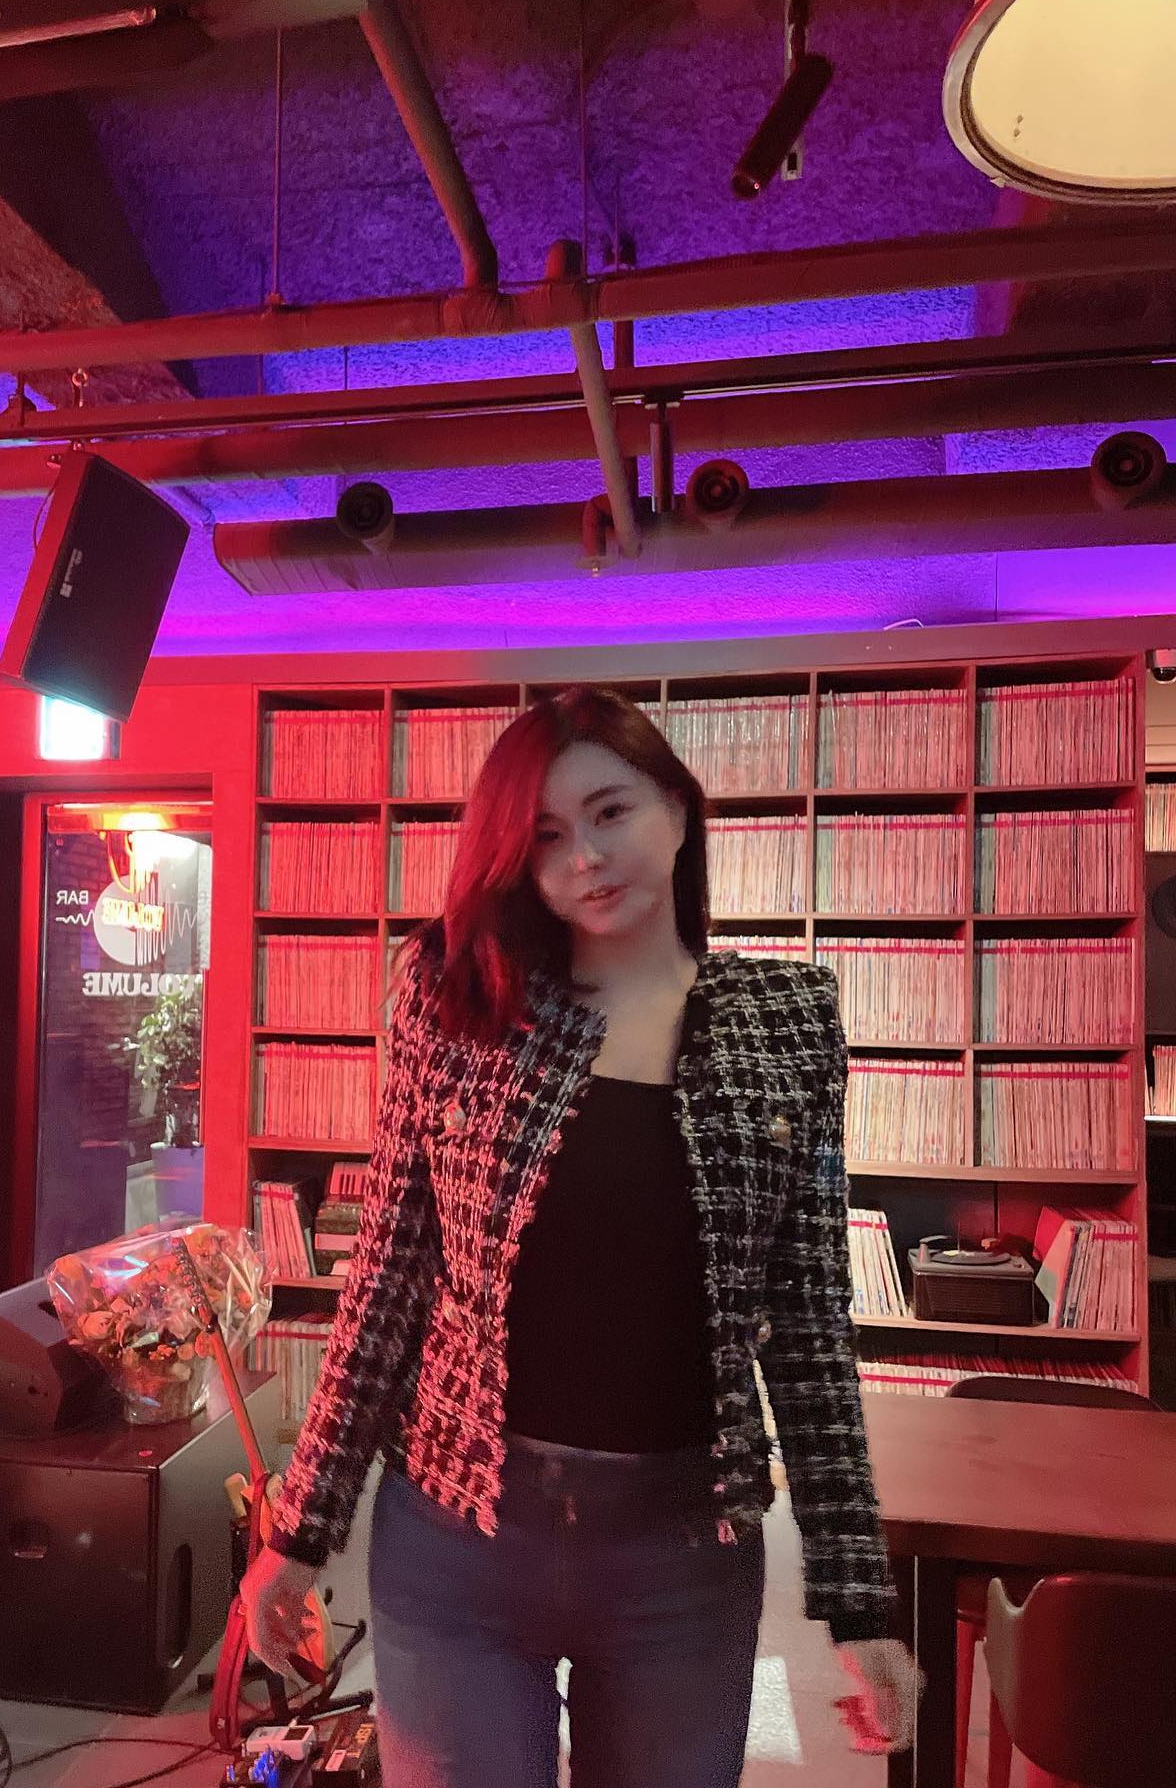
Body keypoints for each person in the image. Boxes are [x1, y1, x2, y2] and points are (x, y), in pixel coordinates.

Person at [244, 685, 922, 1786]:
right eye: (547, 837)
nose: (585, 860)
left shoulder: (787, 1018)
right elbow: (389, 1281)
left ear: (677, 810)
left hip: (681, 1552)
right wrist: (297, 1529)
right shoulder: (455, 1000)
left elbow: (806, 1321)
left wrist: (860, 1605)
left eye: (611, 813)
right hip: (459, 1540)